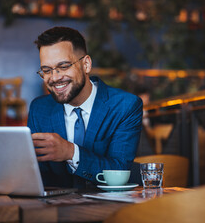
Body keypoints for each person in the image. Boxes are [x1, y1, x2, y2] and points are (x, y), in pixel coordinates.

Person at [28, 26, 143, 188]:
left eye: (64, 66)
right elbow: (35, 173)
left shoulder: (125, 106)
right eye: (47, 70)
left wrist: (70, 152)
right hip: (54, 209)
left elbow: (120, 169)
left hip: (108, 208)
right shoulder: (39, 109)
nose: (54, 78)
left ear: (86, 64)